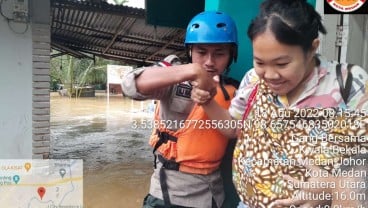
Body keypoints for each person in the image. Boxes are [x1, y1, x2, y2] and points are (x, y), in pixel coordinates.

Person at [190, 0, 368, 207]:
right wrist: (208, 102)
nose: (271, 75)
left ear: (312, 49)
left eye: (282, 64)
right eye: (260, 62)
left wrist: (335, 186)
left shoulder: (348, 82)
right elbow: (234, 128)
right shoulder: (253, 80)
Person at [121, 11, 239, 208]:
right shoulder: (172, 76)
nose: (209, 61)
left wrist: (208, 100)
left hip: (210, 196)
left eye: (219, 53)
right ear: (190, 51)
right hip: (166, 193)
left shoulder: (235, 91)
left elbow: (233, 129)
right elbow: (129, 85)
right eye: (201, 52)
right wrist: (192, 70)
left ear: (230, 56)